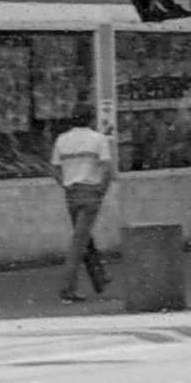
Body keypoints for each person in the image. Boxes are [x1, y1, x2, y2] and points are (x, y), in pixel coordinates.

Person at [51, 110, 113, 301]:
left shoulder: (62, 139)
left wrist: (66, 183)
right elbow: (108, 168)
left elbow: (54, 168)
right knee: (79, 243)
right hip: (90, 191)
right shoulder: (98, 139)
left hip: (72, 193)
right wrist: (100, 189)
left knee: (83, 236)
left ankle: (99, 277)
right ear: (91, 120)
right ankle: (67, 289)